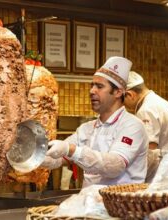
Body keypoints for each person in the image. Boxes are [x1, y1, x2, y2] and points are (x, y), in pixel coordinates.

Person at [40, 57, 149, 187]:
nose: (92, 91)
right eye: (92, 86)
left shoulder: (132, 126)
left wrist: (71, 150)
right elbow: (56, 159)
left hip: (121, 204)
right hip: (89, 202)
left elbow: (115, 165)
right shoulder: (86, 129)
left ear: (118, 92)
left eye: (99, 86)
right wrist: (31, 157)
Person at [124, 71, 168, 182]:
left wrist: (132, 178)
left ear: (130, 94)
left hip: (160, 176)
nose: (124, 106)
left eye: (122, 101)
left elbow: (150, 152)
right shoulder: (160, 102)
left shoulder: (146, 110)